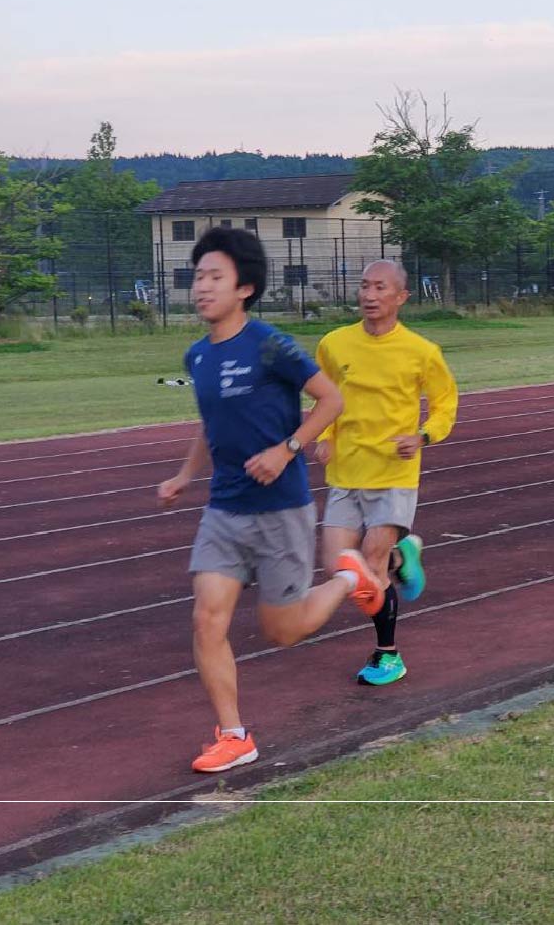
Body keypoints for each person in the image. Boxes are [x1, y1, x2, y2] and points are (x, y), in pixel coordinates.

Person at [156, 227, 379, 774]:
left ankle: (352, 579)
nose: (202, 287)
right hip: (225, 510)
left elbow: (331, 399)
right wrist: (186, 475)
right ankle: (234, 735)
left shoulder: (271, 344)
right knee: (207, 619)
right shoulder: (197, 357)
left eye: (216, 277)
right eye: (198, 277)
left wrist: (289, 449)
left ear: (245, 288)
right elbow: (211, 424)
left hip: (281, 508)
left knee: (285, 631)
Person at [314, 259, 459, 687]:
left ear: (401, 297)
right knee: (341, 570)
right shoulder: (334, 344)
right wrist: (323, 432)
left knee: (370, 567)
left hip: (394, 473)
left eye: (380, 287)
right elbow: (326, 396)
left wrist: (424, 436)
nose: (369, 295)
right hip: (346, 471)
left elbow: (446, 403)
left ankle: (387, 655)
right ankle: (403, 555)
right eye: (364, 286)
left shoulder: (421, 352)